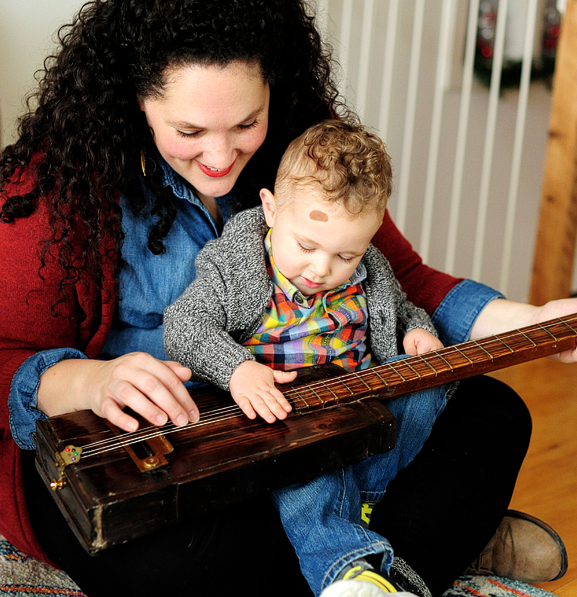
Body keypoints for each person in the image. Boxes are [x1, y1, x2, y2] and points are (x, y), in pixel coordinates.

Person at [0, 0, 577, 596]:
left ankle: (356, 556)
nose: (222, 159)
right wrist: (95, 378)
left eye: (246, 124)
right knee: (179, 561)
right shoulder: (59, 179)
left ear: (274, 92)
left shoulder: (307, 151)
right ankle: (416, 543)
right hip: (145, 462)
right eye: (188, 132)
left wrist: (537, 320)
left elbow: (403, 281)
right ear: (132, 100)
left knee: (494, 412)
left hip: (301, 437)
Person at [164, 118, 453, 595]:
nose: (322, 269)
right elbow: (183, 326)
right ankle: (350, 575)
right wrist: (238, 370)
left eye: (346, 256)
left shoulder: (372, 269)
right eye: (306, 246)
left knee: (430, 391)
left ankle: (361, 500)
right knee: (307, 462)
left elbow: (403, 309)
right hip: (280, 422)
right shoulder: (235, 265)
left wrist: (418, 332)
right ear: (271, 209)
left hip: (358, 413)